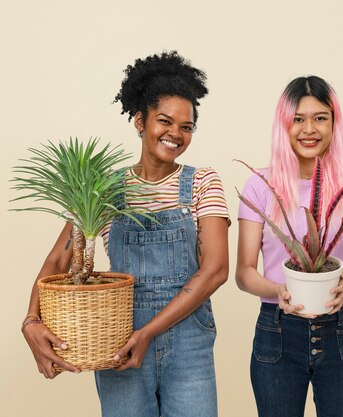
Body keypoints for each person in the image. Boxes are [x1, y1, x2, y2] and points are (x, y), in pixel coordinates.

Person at [21, 51, 230, 417]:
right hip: (117, 337)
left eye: (187, 127)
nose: (176, 134)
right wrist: (30, 321)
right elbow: (59, 259)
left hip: (188, 342)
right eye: (165, 121)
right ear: (138, 120)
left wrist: (148, 332)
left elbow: (215, 270)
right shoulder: (103, 190)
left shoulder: (202, 182)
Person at [236, 76, 343, 417]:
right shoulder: (260, 185)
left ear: (334, 122)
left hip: (341, 327)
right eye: (298, 119)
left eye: (320, 118)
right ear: (284, 124)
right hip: (278, 330)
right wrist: (278, 290)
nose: (309, 129)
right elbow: (244, 273)